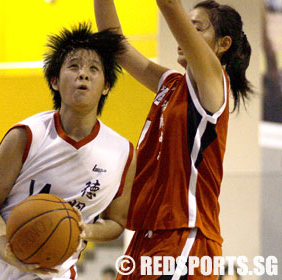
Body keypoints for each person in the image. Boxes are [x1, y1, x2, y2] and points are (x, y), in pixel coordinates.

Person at [0, 23, 137, 280]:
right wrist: (6, 248)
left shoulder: (123, 152)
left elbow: (116, 222)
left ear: (106, 85)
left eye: (93, 69)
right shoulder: (27, 134)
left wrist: (84, 230)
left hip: (56, 268)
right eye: (73, 66)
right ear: (54, 81)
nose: (83, 74)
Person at [94, 0, 253, 279]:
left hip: (187, 236)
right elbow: (114, 43)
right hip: (147, 235)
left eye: (195, 28)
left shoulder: (215, 82)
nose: (183, 35)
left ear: (223, 44)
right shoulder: (170, 84)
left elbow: (168, 4)